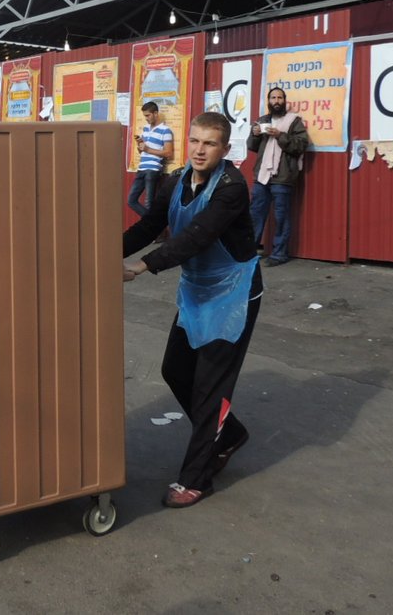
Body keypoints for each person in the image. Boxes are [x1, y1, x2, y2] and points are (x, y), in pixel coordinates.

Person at [123, 111, 263, 509]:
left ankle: (196, 478)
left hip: (233, 296)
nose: (200, 150)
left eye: (210, 143)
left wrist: (141, 266)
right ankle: (230, 434)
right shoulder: (175, 181)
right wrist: (104, 252)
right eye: (196, 141)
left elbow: (196, 236)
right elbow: (149, 225)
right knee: (175, 370)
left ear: (224, 148)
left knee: (209, 388)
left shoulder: (232, 188)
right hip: (198, 290)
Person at [247, 87, 309, 267]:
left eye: (279, 98)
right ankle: (249, 252)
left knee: (281, 216)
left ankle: (279, 254)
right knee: (255, 214)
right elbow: (252, 146)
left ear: (284, 100)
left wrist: (280, 135)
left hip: (282, 176)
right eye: (273, 97)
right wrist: (254, 134)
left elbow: (300, 145)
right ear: (269, 101)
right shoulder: (262, 120)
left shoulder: (294, 121)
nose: (276, 101)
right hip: (262, 176)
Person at [128, 102, 174, 218]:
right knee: (131, 200)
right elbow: (142, 151)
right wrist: (140, 145)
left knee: (149, 203)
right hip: (141, 168)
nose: (146, 118)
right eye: (145, 116)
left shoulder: (165, 130)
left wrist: (148, 149)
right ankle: (152, 223)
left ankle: (150, 228)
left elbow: (168, 153)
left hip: (153, 169)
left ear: (156, 113)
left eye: (148, 115)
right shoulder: (145, 129)